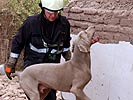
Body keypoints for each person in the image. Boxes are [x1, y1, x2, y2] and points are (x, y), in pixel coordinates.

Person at [4, 0, 71, 100]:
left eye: (56, 13)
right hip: (33, 66)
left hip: (52, 68)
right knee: (34, 96)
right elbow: (18, 43)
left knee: (50, 97)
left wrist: (69, 61)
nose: (52, 16)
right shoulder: (31, 23)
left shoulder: (64, 24)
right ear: (43, 9)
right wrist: (11, 64)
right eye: (49, 13)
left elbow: (65, 45)